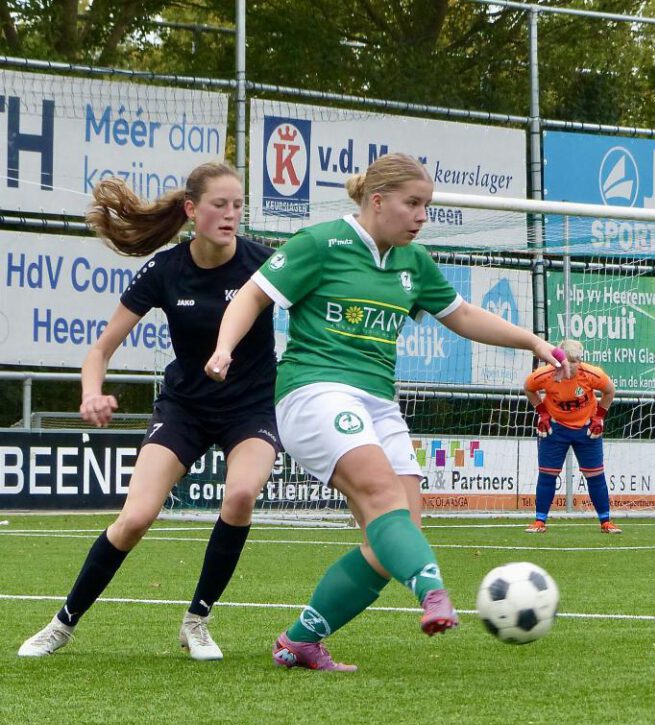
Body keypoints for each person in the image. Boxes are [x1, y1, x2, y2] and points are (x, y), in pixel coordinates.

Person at [205, 152, 565, 672]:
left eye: (427, 205)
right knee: (382, 498)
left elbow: (463, 315)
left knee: (397, 534)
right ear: (377, 201)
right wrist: (224, 348)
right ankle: (433, 593)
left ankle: (301, 640)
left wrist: (534, 342)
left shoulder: (412, 262)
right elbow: (251, 296)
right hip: (315, 392)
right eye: (413, 204)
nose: (422, 216)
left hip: (377, 401)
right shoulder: (321, 243)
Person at [18, 163, 281, 662]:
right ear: (192, 210)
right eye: (219, 205)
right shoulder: (165, 270)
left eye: (238, 205)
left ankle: (197, 621)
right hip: (185, 408)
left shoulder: (265, 263)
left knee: (241, 495)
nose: (231, 214)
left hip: (251, 407)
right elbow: (100, 350)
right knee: (135, 518)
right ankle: (61, 624)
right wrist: (91, 393)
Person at [523, 338, 621, 533]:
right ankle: (540, 522)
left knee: (595, 475)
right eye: (565, 361)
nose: (570, 365)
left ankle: (606, 522)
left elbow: (610, 391)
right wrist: (542, 413)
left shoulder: (593, 374)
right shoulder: (544, 374)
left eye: (574, 361)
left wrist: (599, 417)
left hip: (586, 429)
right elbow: (528, 388)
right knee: (547, 474)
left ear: (580, 361)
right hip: (555, 428)